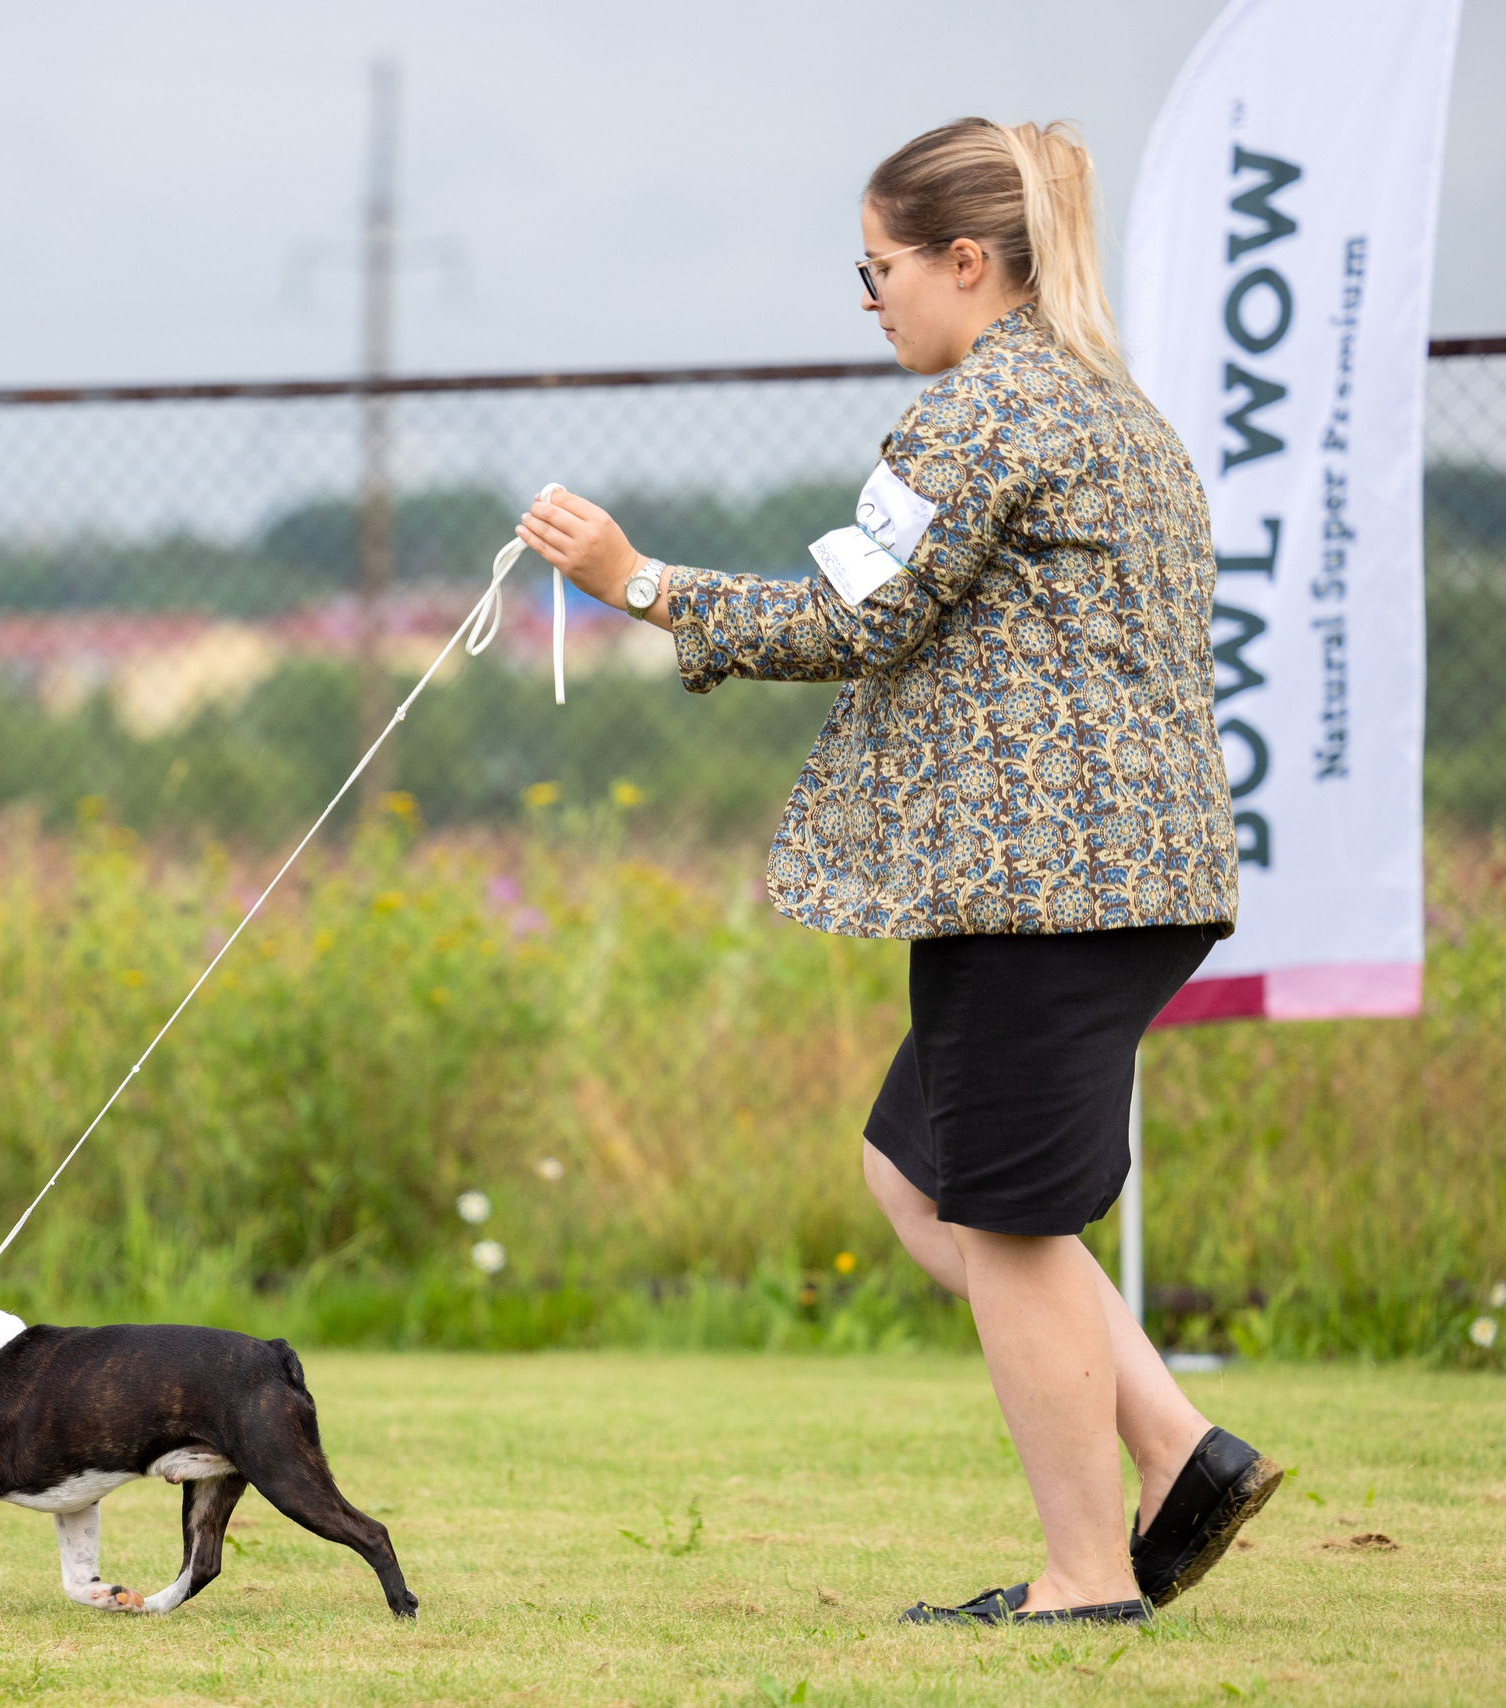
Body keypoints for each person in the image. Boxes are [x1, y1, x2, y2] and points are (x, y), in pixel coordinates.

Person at [515, 117, 1280, 1625]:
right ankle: (1183, 1453)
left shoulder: (980, 415)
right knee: (919, 1174)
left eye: (875, 272)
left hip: (1046, 888)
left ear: (966, 263)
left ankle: (1080, 1580)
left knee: (1002, 1220)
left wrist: (635, 583)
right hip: (1127, 878)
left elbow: (849, 621)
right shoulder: (1099, 407)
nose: (869, 303)